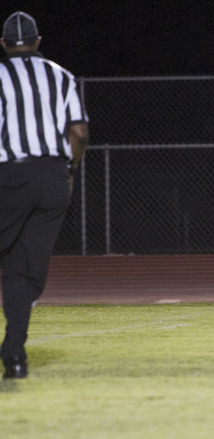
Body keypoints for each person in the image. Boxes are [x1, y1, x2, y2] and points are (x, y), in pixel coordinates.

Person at [0, 11, 89, 379]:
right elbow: (79, 133)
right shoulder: (61, 75)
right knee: (24, 274)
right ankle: (15, 355)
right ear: (38, 41)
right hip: (53, 178)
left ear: (4, 44)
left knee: (17, 269)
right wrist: (69, 170)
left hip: (9, 175)